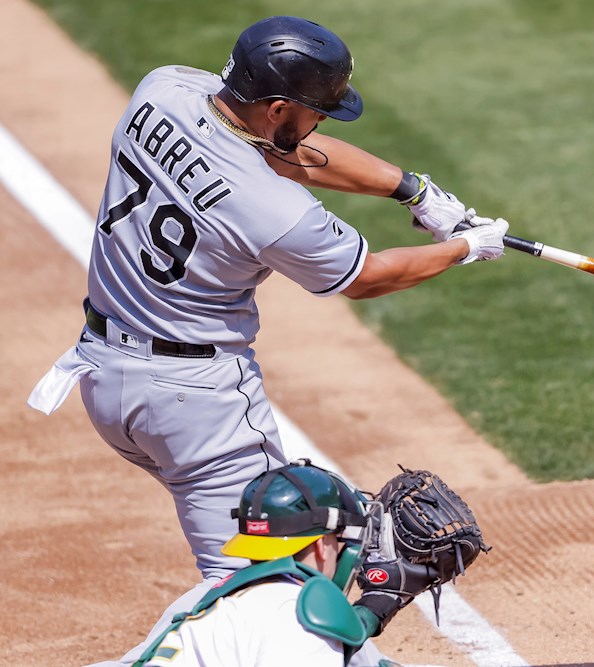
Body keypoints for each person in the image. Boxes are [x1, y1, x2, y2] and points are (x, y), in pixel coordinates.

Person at [27, 14, 507, 666]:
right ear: (278, 105)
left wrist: (412, 189)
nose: (321, 125)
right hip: (195, 408)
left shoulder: (161, 91)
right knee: (268, 587)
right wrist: (463, 248)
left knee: (252, 590)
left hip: (105, 377)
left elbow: (284, 152)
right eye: (315, 111)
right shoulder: (273, 210)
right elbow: (366, 276)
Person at [135, 460, 440, 667]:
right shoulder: (299, 618)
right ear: (322, 546)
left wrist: (377, 606)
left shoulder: (215, 599)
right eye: (343, 539)